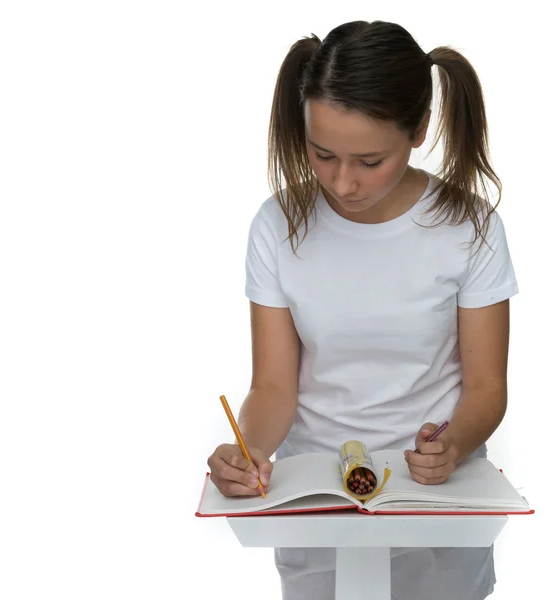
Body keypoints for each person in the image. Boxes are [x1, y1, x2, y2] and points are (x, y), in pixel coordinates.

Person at [207, 19, 517, 600]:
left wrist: (452, 444)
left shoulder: (470, 228)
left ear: (420, 128)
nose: (342, 183)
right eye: (322, 154)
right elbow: (274, 386)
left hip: (436, 496)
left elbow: (486, 387)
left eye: (370, 161)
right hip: (318, 499)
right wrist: (246, 452)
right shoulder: (277, 227)